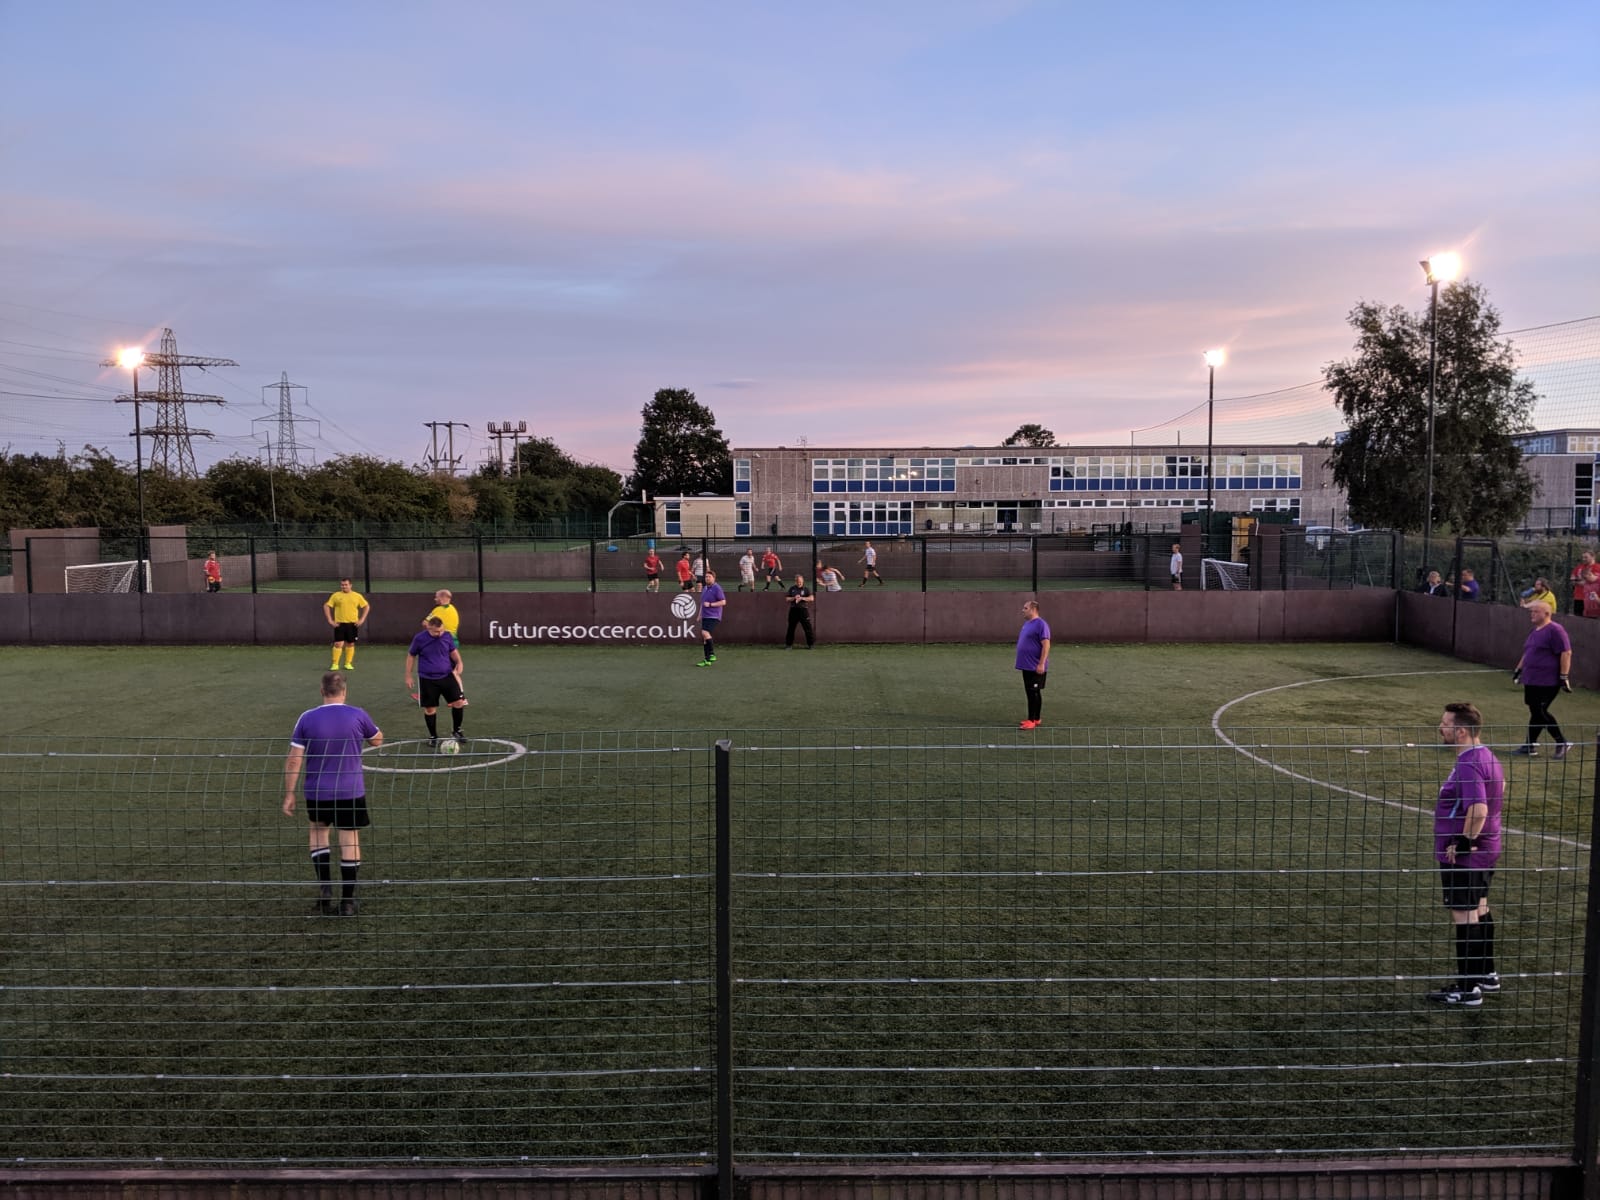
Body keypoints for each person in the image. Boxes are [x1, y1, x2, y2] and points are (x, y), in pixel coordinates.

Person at [283, 672, 382, 917]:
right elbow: (377, 740)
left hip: (318, 792)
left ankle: (325, 890)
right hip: (350, 791)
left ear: (322, 691)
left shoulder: (307, 717)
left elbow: (294, 760)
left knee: (318, 833)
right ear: (344, 691)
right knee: (349, 840)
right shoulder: (358, 714)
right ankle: (347, 902)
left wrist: (289, 793)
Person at [1425, 702, 1505, 1006]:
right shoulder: (1487, 756)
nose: (1441, 728)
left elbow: (1479, 809)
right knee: (1480, 908)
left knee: (1465, 915)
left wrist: (1462, 841)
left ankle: (1468, 989)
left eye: (1445, 724)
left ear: (1461, 731)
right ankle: (1487, 974)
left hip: (1466, 856)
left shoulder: (1468, 764)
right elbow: (1500, 789)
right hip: (1486, 850)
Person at [1511, 599, 1573, 758]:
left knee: (1539, 710)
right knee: (1535, 711)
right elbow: (1528, 652)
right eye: (1531, 611)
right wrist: (1519, 669)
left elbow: (1566, 652)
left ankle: (1561, 741)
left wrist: (1564, 676)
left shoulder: (1555, 630)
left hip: (1547, 680)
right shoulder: (1535, 631)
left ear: (1546, 613)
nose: (1532, 614)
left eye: (1536, 611)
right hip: (1532, 678)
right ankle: (1529, 745)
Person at [405, 616, 467, 747]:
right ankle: (433, 736)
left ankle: (457, 731)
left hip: (447, 675)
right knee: (430, 709)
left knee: (458, 702)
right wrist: (408, 675)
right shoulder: (419, 638)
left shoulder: (447, 636)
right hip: (427, 679)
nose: (440, 634)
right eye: (436, 632)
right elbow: (411, 656)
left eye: (442, 630)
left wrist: (459, 662)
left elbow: (453, 651)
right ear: (429, 628)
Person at [1015, 598, 1051, 730]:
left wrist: (1041, 664)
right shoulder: (1027, 624)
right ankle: (1035, 718)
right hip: (1026, 665)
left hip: (1035, 666)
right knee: (1031, 692)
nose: (1022, 610)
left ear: (1033, 609)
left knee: (1033, 692)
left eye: (1025, 608)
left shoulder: (1041, 624)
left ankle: (1031, 720)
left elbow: (1046, 645)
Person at [324, 578, 370, 671]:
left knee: (350, 643)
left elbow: (366, 606)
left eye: (346, 585)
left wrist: (362, 619)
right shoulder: (336, 595)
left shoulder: (357, 596)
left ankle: (348, 663)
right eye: (342, 585)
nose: (344, 586)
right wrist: (330, 620)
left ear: (350, 585)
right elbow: (326, 606)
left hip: (352, 624)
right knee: (338, 644)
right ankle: (335, 664)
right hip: (340, 624)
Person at [697, 568, 726, 666]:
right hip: (705, 616)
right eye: (706, 577)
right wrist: (699, 615)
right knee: (705, 638)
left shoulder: (717, 588)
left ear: (714, 578)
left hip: (714, 615)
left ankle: (712, 654)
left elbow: (723, 602)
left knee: (704, 632)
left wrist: (710, 604)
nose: (707, 578)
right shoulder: (705, 588)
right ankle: (707, 660)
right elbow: (702, 603)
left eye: (709, 577)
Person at [783, 573, 815, 649]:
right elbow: (787, 599)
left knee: (808, 628)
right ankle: (789, 645)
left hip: (803, 610)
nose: (799, 583)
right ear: (795, 581)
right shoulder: (792, 589)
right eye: (798, 581)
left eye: (800, 581)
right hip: (793, 610)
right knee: (791, 628)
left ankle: (811, 645)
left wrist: (802, 598)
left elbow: (811, 598)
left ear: (803, 581)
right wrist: (794, 598)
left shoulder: (806, 589)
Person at [1571, 552, 1596, 616]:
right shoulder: (1578, 568)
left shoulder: (1597, 567)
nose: (1583, 559)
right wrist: (1584, 582)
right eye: (1583, 557)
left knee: (1590, 618)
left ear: (1593, 557)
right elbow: (1572, 581)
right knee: (1577, 617)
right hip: (1578, 597)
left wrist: (1581, 581)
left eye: (1586, 557)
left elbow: (1594, 582)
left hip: (1591, 599)